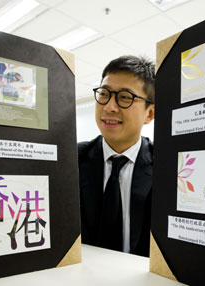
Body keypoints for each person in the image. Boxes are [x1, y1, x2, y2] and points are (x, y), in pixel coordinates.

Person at [78, 55, 155, 257]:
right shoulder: (71, 160)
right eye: (104, 94)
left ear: (149, 114)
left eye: (124, 97)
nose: (109, 107)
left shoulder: (169, 166)